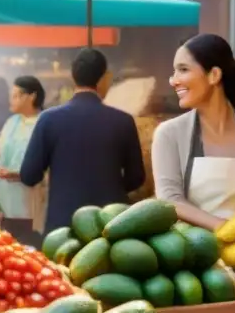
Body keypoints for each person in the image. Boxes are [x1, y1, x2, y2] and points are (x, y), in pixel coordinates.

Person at [152, 34, 235, 230]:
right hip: (194, 251)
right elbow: (170, 200)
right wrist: (226, 229)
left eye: (183, 70)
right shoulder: (169, 134)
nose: (173, 81)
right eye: (175, 72)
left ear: (214, 75)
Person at [20, 48, 145, 233]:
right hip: (111, 226)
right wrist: (108, 185)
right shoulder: (123, 121)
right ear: (105, 78)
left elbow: (29, 175)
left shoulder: (49, 119)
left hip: (62, 227)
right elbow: (136, 177)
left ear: (73, 76)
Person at [0, 75, 47, 241]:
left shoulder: (44, 123)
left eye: (16, 96)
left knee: (30, 244)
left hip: (32, 197)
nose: (11, 100)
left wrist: (19, 174)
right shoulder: (12, 122)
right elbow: (1, 152)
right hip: (7, 197)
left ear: (31, 96)